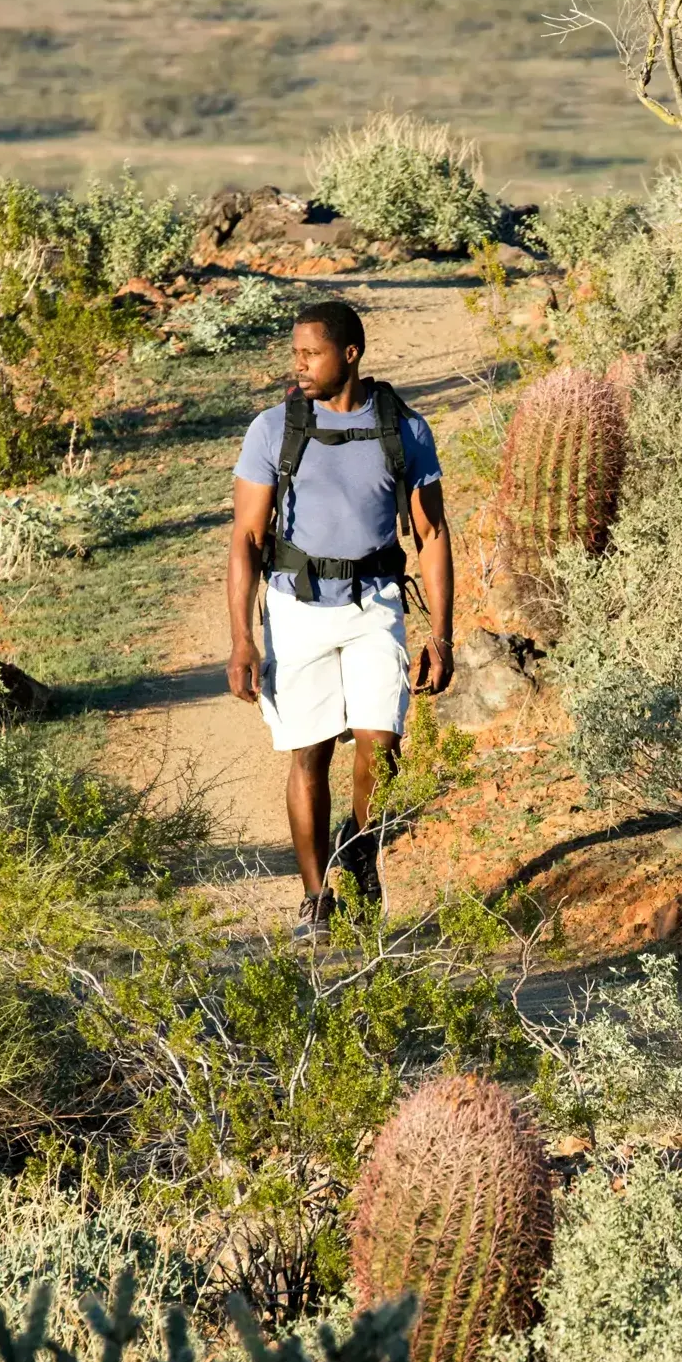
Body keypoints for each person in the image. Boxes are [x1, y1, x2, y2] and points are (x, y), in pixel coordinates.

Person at [225, 299, 453, 937]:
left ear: (350, 354)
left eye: (310, 353)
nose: (297, 365)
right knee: (310, 754)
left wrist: (442, 633)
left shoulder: (403, 429)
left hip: (375, 604)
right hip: (296, 611)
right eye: (295, 352)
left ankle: (360, 849)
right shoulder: (273, 429)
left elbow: (432, 534)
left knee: (382, 748)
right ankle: (315, 896)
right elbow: (246, 539)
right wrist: (243, 640)